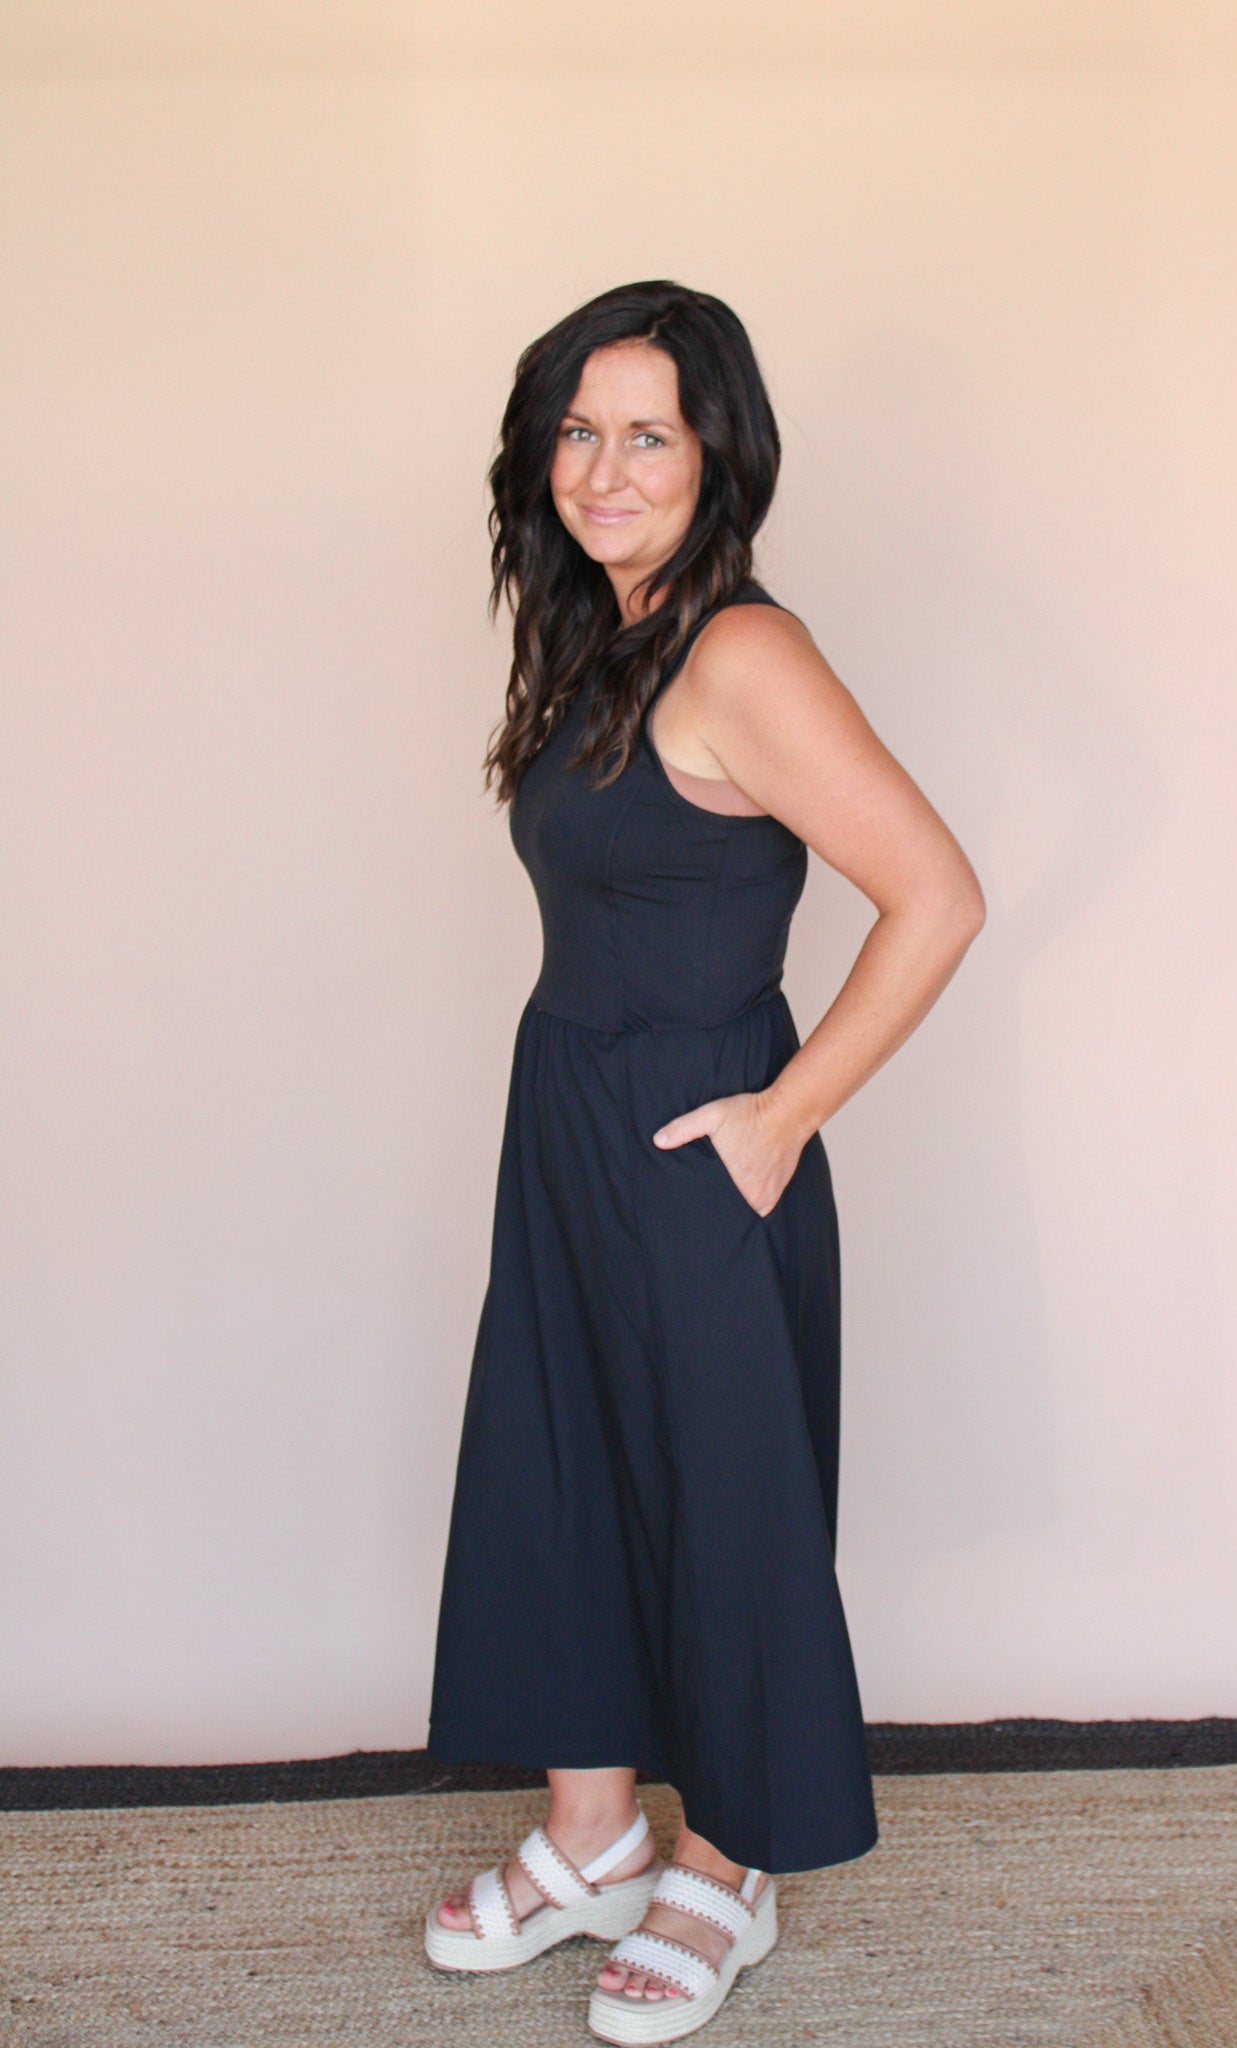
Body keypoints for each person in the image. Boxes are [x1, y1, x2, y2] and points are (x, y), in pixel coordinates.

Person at [422, 279, 985, 2044]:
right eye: (576, 431)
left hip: (695, 1132)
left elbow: (935, 894)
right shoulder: (604, 633)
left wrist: (783, 1113)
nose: (603, 470)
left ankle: (725, 1865)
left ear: (714, 453)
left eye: (646, 435)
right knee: (562, 1461)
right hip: (566, 1110)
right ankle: (593, 1836)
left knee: (723, 1500)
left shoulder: (741, 652)